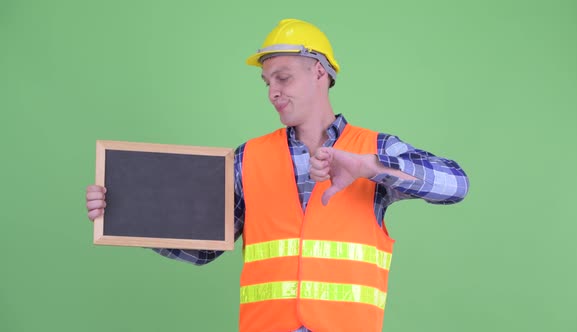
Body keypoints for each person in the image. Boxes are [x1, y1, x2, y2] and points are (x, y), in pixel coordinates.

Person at [86, 18, 469, 332]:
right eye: (267, 82)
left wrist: (371, 167)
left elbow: (456, 185)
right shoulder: (246, 158)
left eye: (282, 78)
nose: (272, 91)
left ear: (319, 72)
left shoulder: (374, 149)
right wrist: (127, 214)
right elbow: (203, 248)